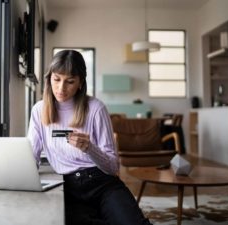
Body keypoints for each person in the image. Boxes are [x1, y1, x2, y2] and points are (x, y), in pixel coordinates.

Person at [27, 50, 152, 225]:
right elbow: (31, 157)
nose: (61, 88)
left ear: (80, 83)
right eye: (56, 79)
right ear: (49, 79)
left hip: (103, 183)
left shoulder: (96, 108)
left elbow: (112, 166)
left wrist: (89, 148)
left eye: (70, 81)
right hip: (68, 188)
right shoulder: (39, 110)